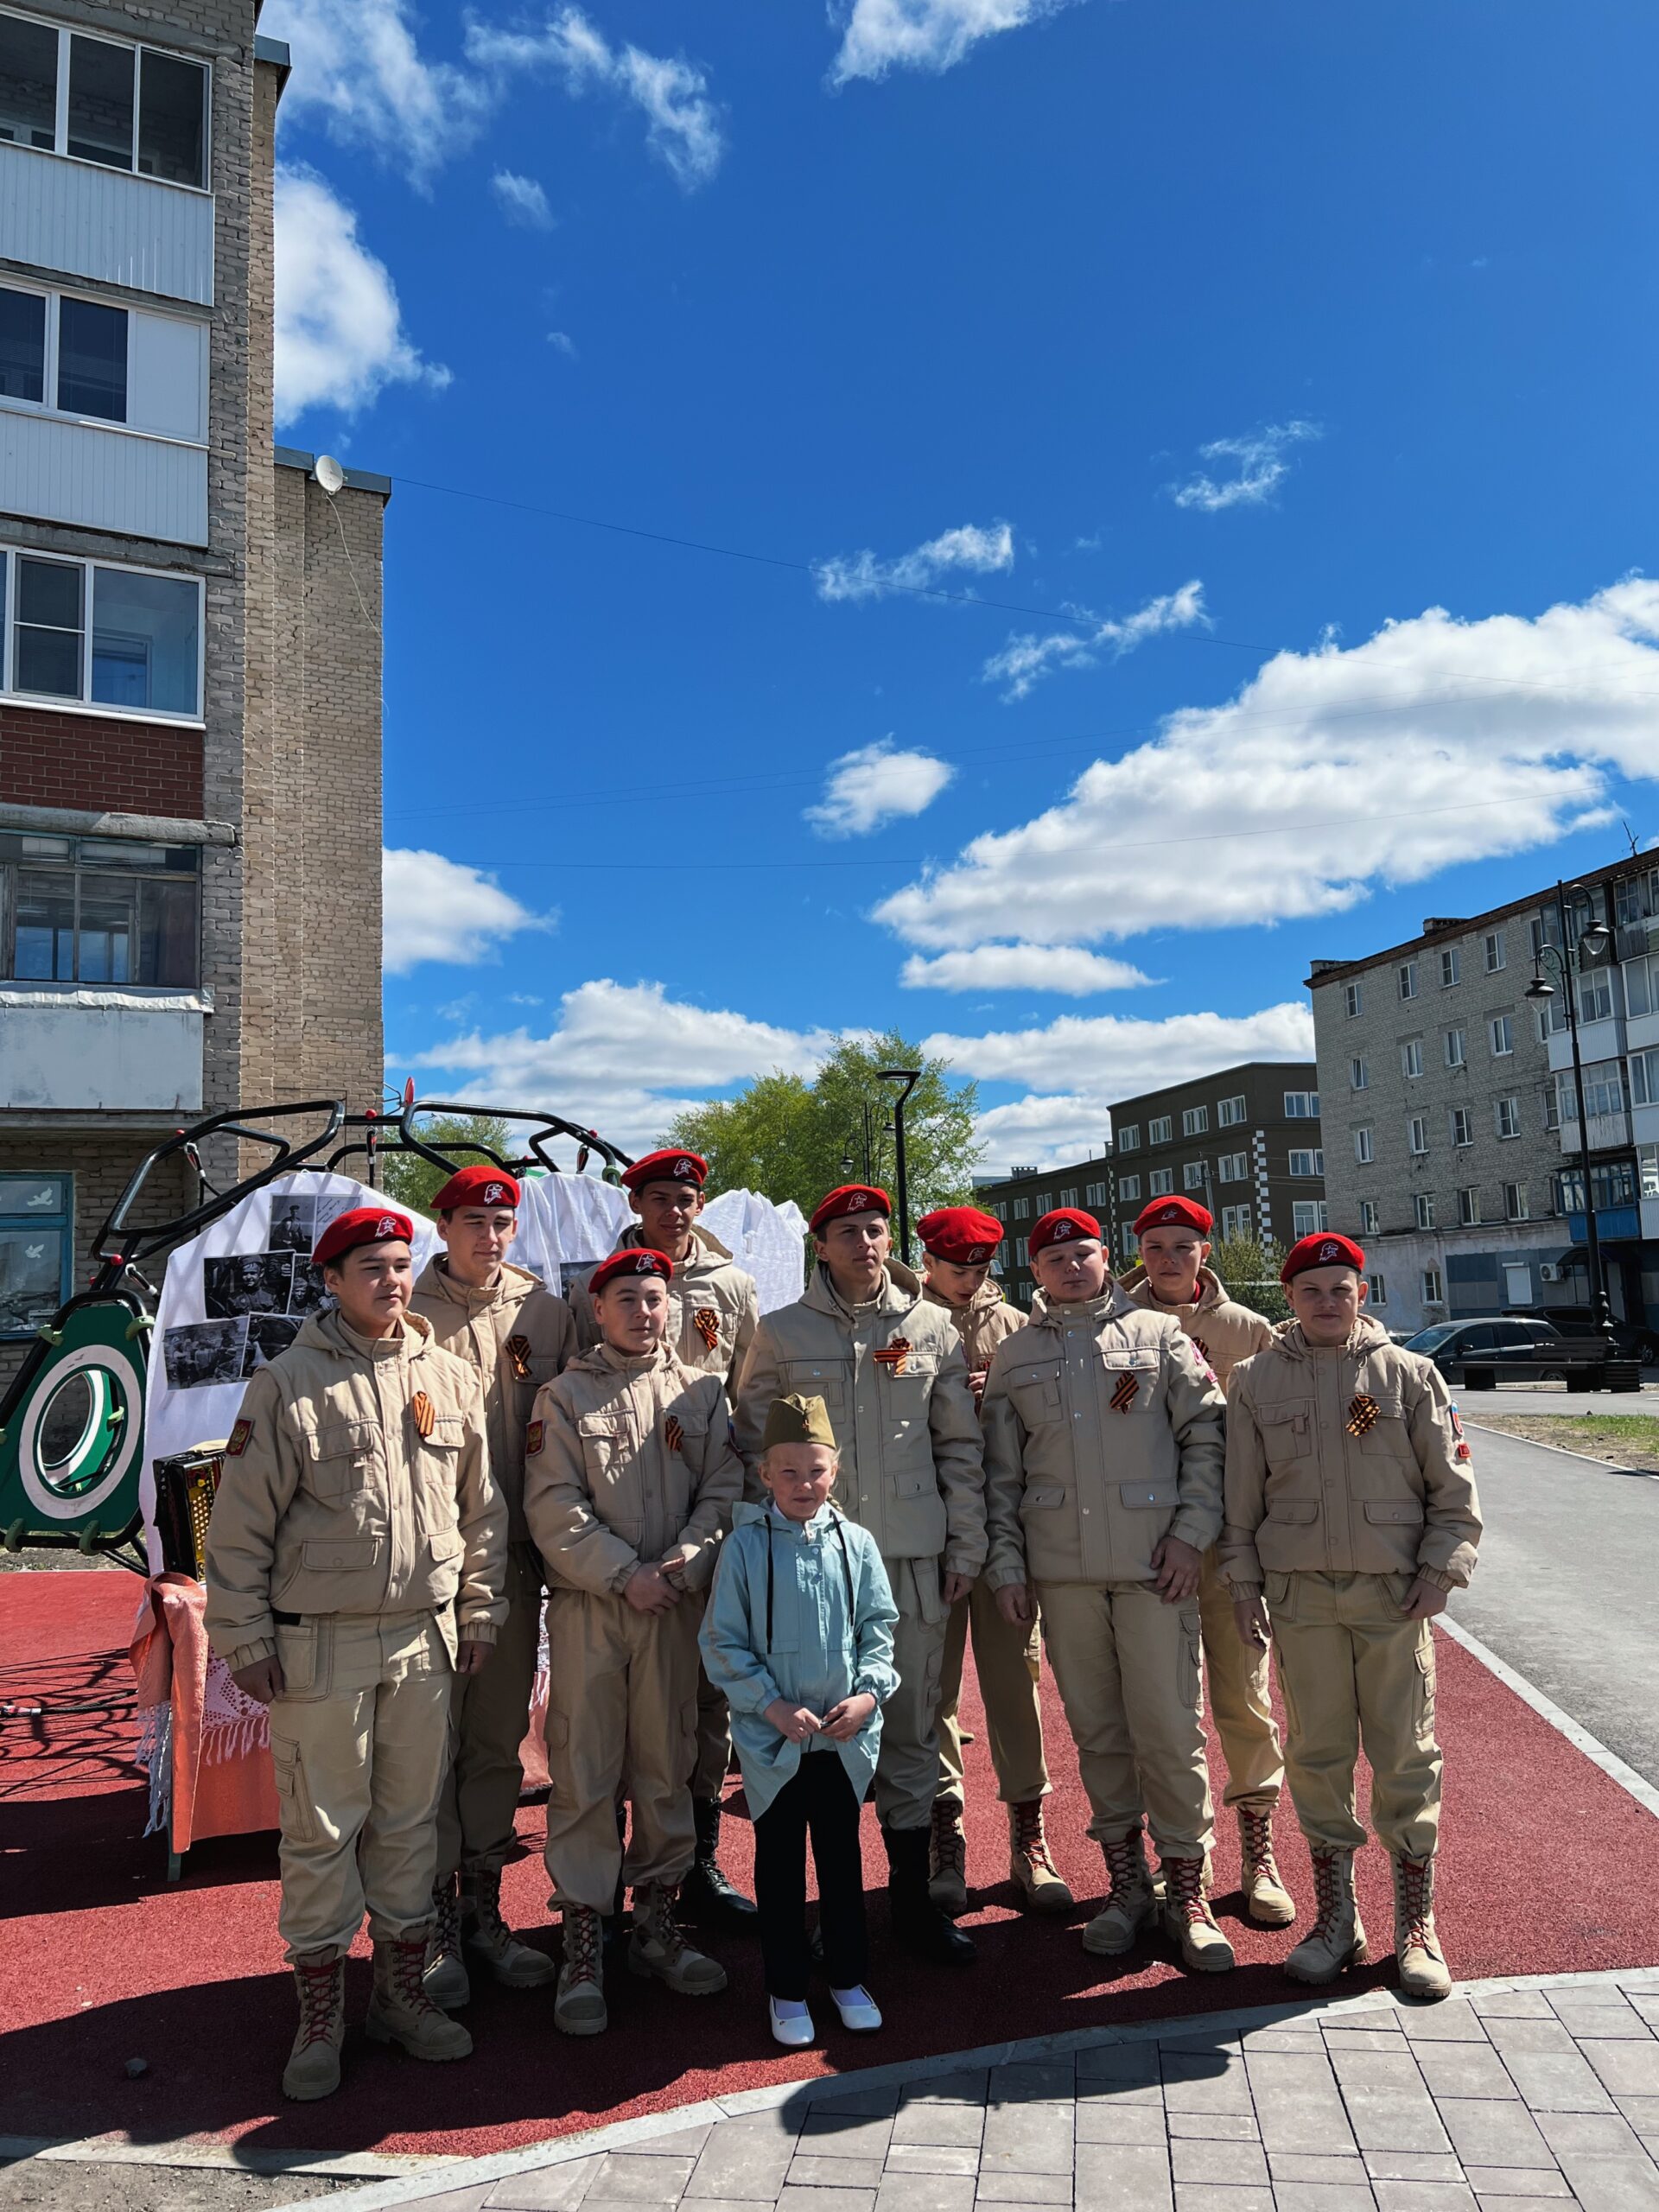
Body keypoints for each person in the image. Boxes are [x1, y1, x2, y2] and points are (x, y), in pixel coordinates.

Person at [203, 1208, 506, 2101]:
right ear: (331, 1281)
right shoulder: (287, 1384)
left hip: (422, 1640)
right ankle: (321, 2013)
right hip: (320, 1647)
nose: (392, 1281)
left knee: (410, 1825)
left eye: (402, 1265)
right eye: (371, 1267)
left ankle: (400, 1997)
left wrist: (480, 1610)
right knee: (322, 1832)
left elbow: (482, 1511)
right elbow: (238, 1528)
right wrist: (245, 1636)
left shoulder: (450, 1377)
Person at [1222, 1232, 1482, 2000]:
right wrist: (1243, 1586)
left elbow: (1454, 1491)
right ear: (1289, 1298)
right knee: (1317, 1754)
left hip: (1393, 1596)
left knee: (1406, 1756)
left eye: (1341, 1289)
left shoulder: (1409, 1374)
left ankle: (1416, 1926)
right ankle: (1337, 1920)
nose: (1327, 1302)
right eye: (1311, 1290)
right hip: (1300, 1599)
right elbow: (1241, 1498)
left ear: (1362, 1294)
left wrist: (1440, 1573)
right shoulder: (1255, 1380)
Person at [735, 1184, 986, 1967]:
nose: (865, 1243)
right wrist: (769, 1550)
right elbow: (752, 1444)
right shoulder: (781, 1333)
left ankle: (911, 1903)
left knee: (909, 1726)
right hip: (815, 1568)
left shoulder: (931, 1326)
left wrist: (965, 1545)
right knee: (819, 1735)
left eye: (876, 1229)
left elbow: (959, 1447)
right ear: (821, 1246)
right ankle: (829, 1909)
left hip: (908, 1557)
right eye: (847, 1232)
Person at [982, 1206, 1234, 1972]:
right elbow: (999, 1478)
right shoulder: (1016, 1356)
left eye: (1084, 1254)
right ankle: (1126, 1887)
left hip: (1156, 1569)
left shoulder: (1160, 1337)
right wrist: (1008, 1567)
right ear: (1035, 1271)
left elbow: (1208, 1439)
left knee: (1171, 1730)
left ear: (1105, 1257)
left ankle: (1185, 1889)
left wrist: (1191, 1535)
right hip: (1064, 1577)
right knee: (1098, 1734)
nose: (1071, 1267)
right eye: (1055, 1258)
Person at [524, 1246, 744, 2035]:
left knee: (666, 1762)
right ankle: (585, 1939)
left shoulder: (702, 1393)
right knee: (585, 1771)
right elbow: (553, 1506)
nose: (644, 1312)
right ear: (598, 1309)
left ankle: (655, 1921)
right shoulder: (563, 1395)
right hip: (594, 1608)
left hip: (674, 1606)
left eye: (655, 1298)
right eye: (627, 1298)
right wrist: (624, 1575)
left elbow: (725, 1488)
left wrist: (689, 1557)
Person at [572, 1147, 760, 1927]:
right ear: (636, 1204)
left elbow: (748, 1395)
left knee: (705, 1706)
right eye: (658, 1198)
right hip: (619, 1515)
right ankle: (610, 1882)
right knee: (615, 1722)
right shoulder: (597, 1280)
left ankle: (696, 1862)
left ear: (700, 1204)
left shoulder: (732, 1286)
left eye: (685, 1198)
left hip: (701, 1524)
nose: (673, 1211)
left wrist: (723, 1529)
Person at [409, 1165, 576, 2006]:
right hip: (427, 1566)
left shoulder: (544, 1313)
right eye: (473, 1220)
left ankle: (483, 1913)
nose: (490, 1235)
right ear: (442, 1227)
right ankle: (431, 1925)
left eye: (503, 1221)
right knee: (427, 1749)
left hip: (511, 1558)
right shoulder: (406, 1312)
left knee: (496, 1743)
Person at [700, 1394, 898, 2049]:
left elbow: (879, 1630)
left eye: (816, 1471)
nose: (804, 1484)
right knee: (780, 1869)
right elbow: (722, 1643)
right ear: (765, 1475)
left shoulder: (856, 1545)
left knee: (842, 1865)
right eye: (788, 1472)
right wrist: (772, 1705)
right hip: (773, 1743)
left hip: (842, 1742)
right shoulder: (744, 1548)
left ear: (834, 1471)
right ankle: (786, 1990)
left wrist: (867, 1697)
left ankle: (848, 1978)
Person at [1118, 1196, 1293, 1928]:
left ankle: (1259, 1851)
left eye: (1182, 1247)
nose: (1168, 1260)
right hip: (1146, 1544)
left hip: (1228, 1546)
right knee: (1163, 1708)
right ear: (1138, 1254)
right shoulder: (1112, 1322)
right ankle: (1182, 1853)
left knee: (1245, 1700)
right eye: (1155, 1247)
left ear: (1204, 1253)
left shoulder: (1246, 1331)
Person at [916, 1205, 1070, 1916]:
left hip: (1006, 1533)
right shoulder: (901, 1325)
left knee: (1015, 1688)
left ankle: (1028, 1838)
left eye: (980, 1270)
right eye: (958, 1269)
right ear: (928, 1263)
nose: (971, 1281)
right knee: (931, 1691)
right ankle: (944, 1835)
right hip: (932, 1535)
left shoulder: (1018, 1329)